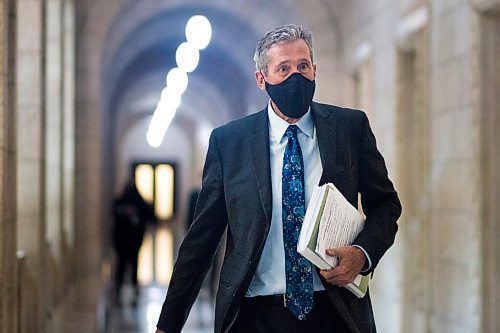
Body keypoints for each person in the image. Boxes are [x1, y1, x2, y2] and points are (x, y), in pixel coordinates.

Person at [156, 24, 401, 333]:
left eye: (303, 66)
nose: (295, 76)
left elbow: (386, 205)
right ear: (262, 79)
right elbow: (201, 241)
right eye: (283, 68)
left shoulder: (350, 128)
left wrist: (362, 254)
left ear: (314, 70)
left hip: (334, 311)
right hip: (255, 315)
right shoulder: (229, 143)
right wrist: (168, 324)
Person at [112, 178, 155, 306]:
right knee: (122, 264)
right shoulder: (120, 202)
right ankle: (119, 287)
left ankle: (132, 287)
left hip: (133, 239)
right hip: (123, 239)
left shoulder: (139, 203)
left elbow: (149, 215)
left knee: (131, 263)